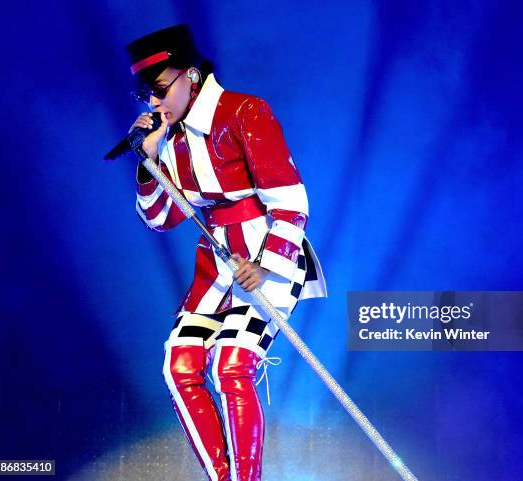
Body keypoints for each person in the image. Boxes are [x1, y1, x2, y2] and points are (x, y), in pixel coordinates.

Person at [123, 24, 327, 481]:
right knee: (179, 363)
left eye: (159, 90)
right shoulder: (171, 141)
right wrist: (148, 160)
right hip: (215, 265)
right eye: (146, 96)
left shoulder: (244, 112)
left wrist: (267, 264)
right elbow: (158, 218)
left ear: (190, 76)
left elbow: (291, 201)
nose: (154, 104)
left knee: (232, 362)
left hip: (268, 257)